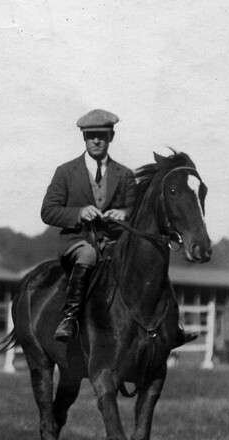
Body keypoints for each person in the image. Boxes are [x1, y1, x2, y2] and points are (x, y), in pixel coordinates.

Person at [41, 109, 197, 346]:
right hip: (78, 242)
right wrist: (79, 213)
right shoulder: (65, 172)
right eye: (91, 135)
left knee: (152, 259)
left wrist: (123, 214)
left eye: (101, 136)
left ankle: (173, 326)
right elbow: (48, 211)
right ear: (84, 138)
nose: (96, 140)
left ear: (111, 137)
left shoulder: (124, 174)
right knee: (88, 253)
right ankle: (70, 318)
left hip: (115, 242)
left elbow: (135, 214)